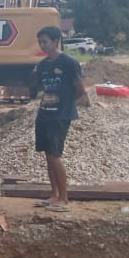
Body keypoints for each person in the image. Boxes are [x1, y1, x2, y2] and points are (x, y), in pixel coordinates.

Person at [32, 26, 88, 212]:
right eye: (40, 42)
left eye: (45, 42)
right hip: (44, 114)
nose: (42, 45)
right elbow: (42, 89)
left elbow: (80, 89)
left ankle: (64, 198)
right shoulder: (43, 65)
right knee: (48, 155)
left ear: (56, 41)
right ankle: (54, 194)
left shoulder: (69, 63)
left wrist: (65, 104)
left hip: (60, 115)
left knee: (55, 156)